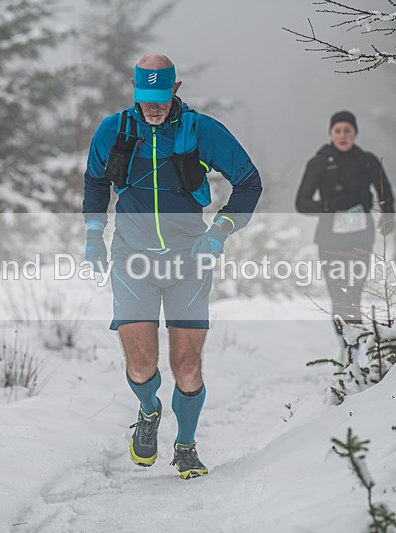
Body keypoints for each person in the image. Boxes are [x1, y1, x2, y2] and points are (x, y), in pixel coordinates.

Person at [82, 53, 262, 479]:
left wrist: (217, 234)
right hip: (132, 258)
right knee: (142, 365)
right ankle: (148, 412)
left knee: (186, 367)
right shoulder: (115, 130)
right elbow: (95, 180)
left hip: (189, 261)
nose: (155, 106)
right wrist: (93, 233)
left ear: (175, 90)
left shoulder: (201, 131)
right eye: (147, 98)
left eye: (162, 97)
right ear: (135, 91)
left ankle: (185, 445)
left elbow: (249, 182)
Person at [295, 110, 395, 361]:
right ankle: (346, 349)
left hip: (361, 237)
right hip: (330, 239)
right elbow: (301, 203)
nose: (342, 135)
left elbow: (386, 192)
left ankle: (355, 350)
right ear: (331, 134)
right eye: (337, 131)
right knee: (339, 295)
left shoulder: (367, 161)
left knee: (354, 295)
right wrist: (328, 207)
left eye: (347, 130)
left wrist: (388, 215)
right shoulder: (318, 163)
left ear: (355, 133)